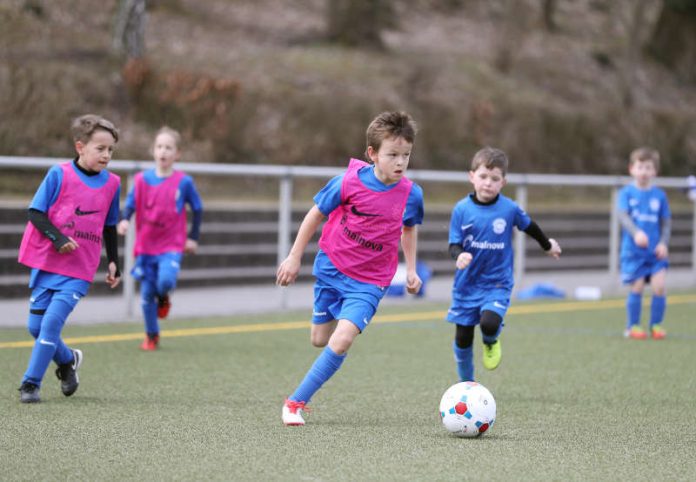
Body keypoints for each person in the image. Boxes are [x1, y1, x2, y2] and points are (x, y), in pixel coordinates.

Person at [276, 111, 424, 426]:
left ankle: (294, 403)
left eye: (406, 155)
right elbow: (315, 215)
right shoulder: (347, 182)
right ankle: (323, 339)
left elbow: (409, 228)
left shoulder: (411, 194)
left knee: (342, 340)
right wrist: (293, 257)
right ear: (372, 154)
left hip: (370, 281)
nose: (400, 162)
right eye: (392, 155)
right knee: (319, 339)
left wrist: (410, 269)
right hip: (332, 267)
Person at [17, 114, 122, 403]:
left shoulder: (113, 184)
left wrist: (114, 261)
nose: (106, 155)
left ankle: (30, 384)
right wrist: (58, 239)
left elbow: (110, 224)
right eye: (100, 148)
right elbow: (35, 213)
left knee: (50, 325)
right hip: (47, 263)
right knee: (35, 328)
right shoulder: (58, 174)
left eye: (111, 150)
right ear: (80, 147)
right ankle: (67, 361)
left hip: (78, 269)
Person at [446, 147, 561, 383]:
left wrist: (547, 245)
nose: (488, 183)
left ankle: (490, 340)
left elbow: (530, 226)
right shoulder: (461, 209)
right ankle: (466, 384)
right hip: (467, 285)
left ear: (503, 182)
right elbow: (453, 244)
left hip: (497, 282)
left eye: (495, 179)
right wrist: (459, 256)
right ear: (472, 177)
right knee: (463, 338)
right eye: (483, 177)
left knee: (489, 323)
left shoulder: (509, 209)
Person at [117, 126, 203, 350]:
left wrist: (192, 238)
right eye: (159, 147)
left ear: (177, 153)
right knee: (146, 294)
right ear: (153, 151)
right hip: (146, 246)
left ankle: (164, 296)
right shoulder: (141, 180)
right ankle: (151, 334)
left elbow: (198, 208)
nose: (163, 151)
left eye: (168, 147)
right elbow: (130, 204)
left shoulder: (184, 182)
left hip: (171, 245)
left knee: (165, 281)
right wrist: (125, 220)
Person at [617, 147, 670, 340]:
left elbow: (666, 223)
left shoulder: (660, 196)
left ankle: (656, 325)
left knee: (659, 286)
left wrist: (663, 243)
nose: (644, 172)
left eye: (648, 167)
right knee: (637, 286)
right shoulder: (626, 193)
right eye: (640, 167)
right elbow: (623, 216)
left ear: (655, 171)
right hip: (634, 252)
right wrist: (636, 232)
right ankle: (633, 326)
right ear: (632, 169)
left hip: (655, 251)